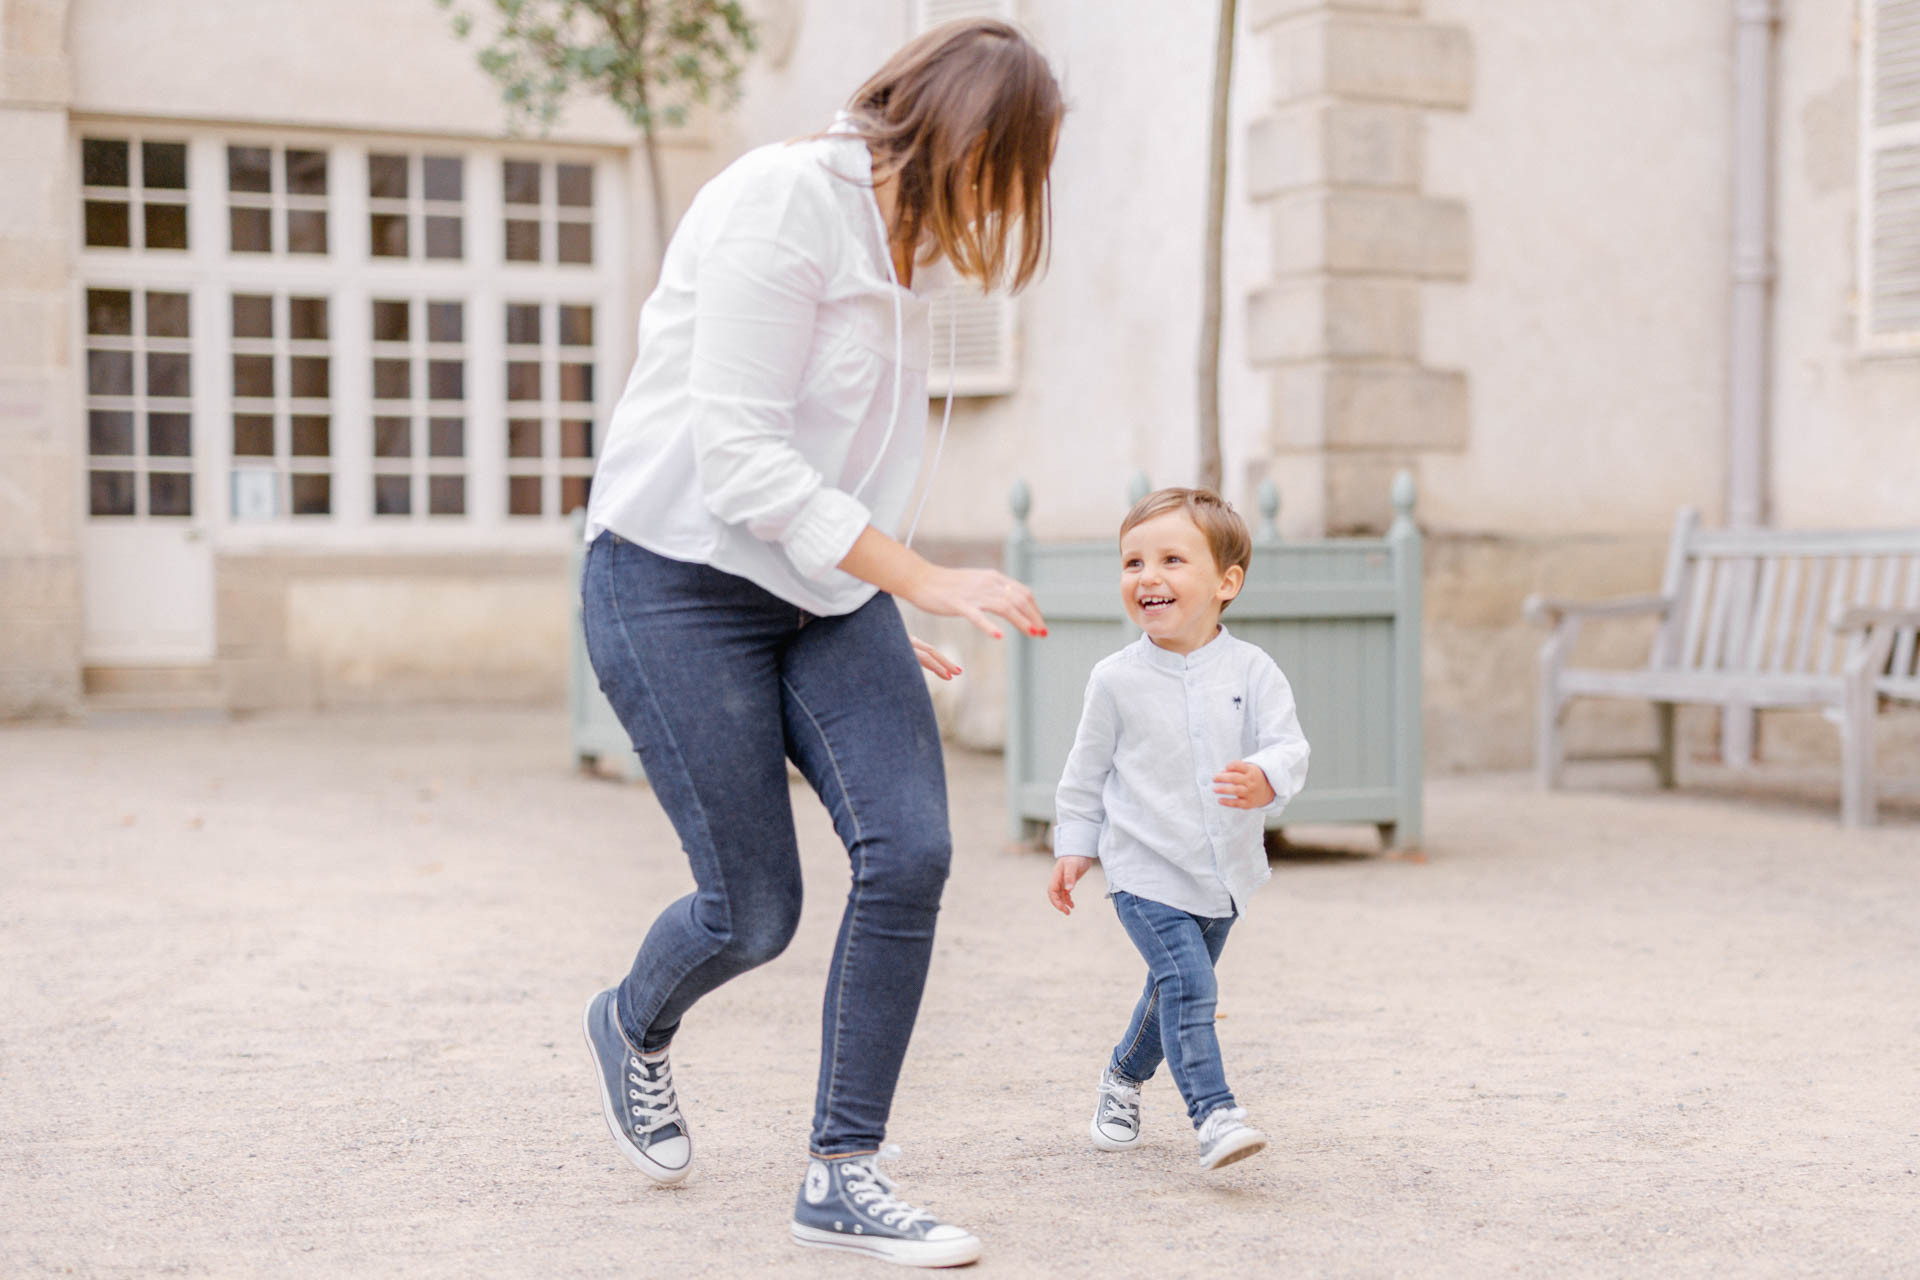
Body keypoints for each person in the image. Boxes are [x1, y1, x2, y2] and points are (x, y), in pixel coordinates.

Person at [576, 18, 1062, 1269]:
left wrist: (885, 595)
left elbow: (852, 458)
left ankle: (844, 1171)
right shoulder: (781, 202)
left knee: (912, 851)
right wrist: (924, 576)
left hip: (829, 595)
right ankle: (631, 1022)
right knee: (755, 910)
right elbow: (739, 461)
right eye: (1011, 169)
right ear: (964, 141)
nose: (1009, 203)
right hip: (673, 578)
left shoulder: (920, 258)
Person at [1047, 487, 1311, 1171]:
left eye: (1171, 559)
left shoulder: (1253, 670)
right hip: (1143, 870)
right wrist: (1075, 846)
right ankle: (1215, 1115)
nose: (1148, 577)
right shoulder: (1114, 680)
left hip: (1223, 872)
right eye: (1133, 563)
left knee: (1170, 990)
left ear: (1227, 583)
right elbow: (1085, 772)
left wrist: (1266, 775)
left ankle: (1122, 1079)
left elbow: (1289, 746)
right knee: (1192, 988)